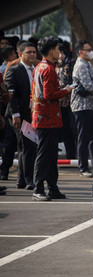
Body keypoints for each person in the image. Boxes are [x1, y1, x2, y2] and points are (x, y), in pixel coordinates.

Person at [31, 37, 75, 201]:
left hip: (44, 117)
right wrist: (67, 90)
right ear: (51, 51)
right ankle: (38, 188)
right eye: (58, 49)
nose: (60, 52)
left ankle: (53, 188)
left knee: (49, 154)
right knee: (44, 154)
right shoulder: (48, 69)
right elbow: (49, 95)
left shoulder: (40, 67)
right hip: (47, 118)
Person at [4, 41, 39, 189]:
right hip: (18, 115)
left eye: (34, 52)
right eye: (28, 52)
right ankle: (29, 180)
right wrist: (15, 114)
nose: (32, 55)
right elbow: (9, 95)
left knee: (25, 146)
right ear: (20, 54)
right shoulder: (14, 70)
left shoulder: (37, 69)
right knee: (27, 146)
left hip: (32, 113)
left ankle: (22, 179)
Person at [71, 40, 93, 177]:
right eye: (88, 50)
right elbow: (89, 85)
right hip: (82, 107)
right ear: (80, 52)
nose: (90, 52)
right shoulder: (81, 66)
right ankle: (83, 167)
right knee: (83, 137)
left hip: (91, 105)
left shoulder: (88, 64)